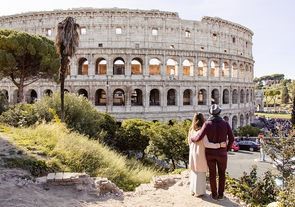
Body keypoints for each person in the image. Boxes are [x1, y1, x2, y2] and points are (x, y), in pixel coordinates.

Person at [191, 104, 234, 200]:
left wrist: (192, 139)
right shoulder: (225, 123)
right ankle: (221, 194)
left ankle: (214, 195)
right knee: (222, 173)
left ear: (210, 113)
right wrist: (226, 149)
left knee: (212, 174)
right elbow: (231, 139)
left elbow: (199, 137)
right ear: (219, 112)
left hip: (210, 153)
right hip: (222, 153)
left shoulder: (207, 124)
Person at [188, 113, 227, 197]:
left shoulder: (191, 130)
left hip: (192, 152)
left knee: (194, 171)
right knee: (201, 173)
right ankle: (199, 192)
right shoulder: (202, 131)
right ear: (203, 120)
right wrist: (219, 145)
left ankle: (193, 190)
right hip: (200, 153)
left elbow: (189, 142)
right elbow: (207, 144)